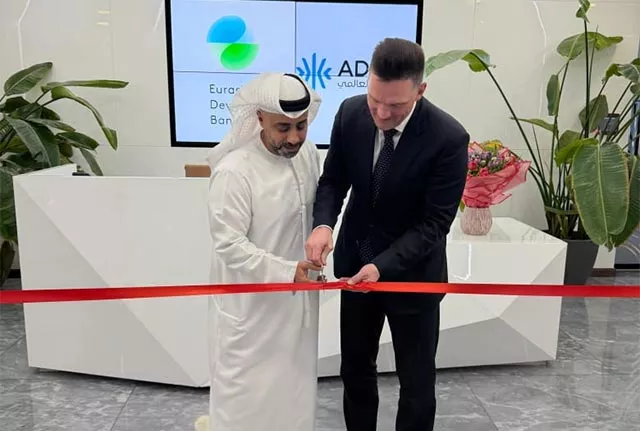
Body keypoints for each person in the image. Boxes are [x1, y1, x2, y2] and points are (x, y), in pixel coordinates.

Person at [305, 38, 470, 431]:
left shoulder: (448, 138)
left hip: (413, 277)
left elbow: (434, 224)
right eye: (374, 99)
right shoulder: (350, 114)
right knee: (355, 370)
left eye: (395, 105)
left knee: (416, 382)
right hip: (355, 267)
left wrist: (382, 266)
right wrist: (324, 225)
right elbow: (333, 181)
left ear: (420, 90)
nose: (381, 112)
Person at [205, 72, 323, 431]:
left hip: (297, 308)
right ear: (259, 118)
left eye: (301, 126)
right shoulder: (235, 171)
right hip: (251, 311)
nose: (294, 138)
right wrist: (287, 271)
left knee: (294, 395)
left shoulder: (307, 155)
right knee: (245, 400)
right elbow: (229, 244)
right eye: (282, 128)